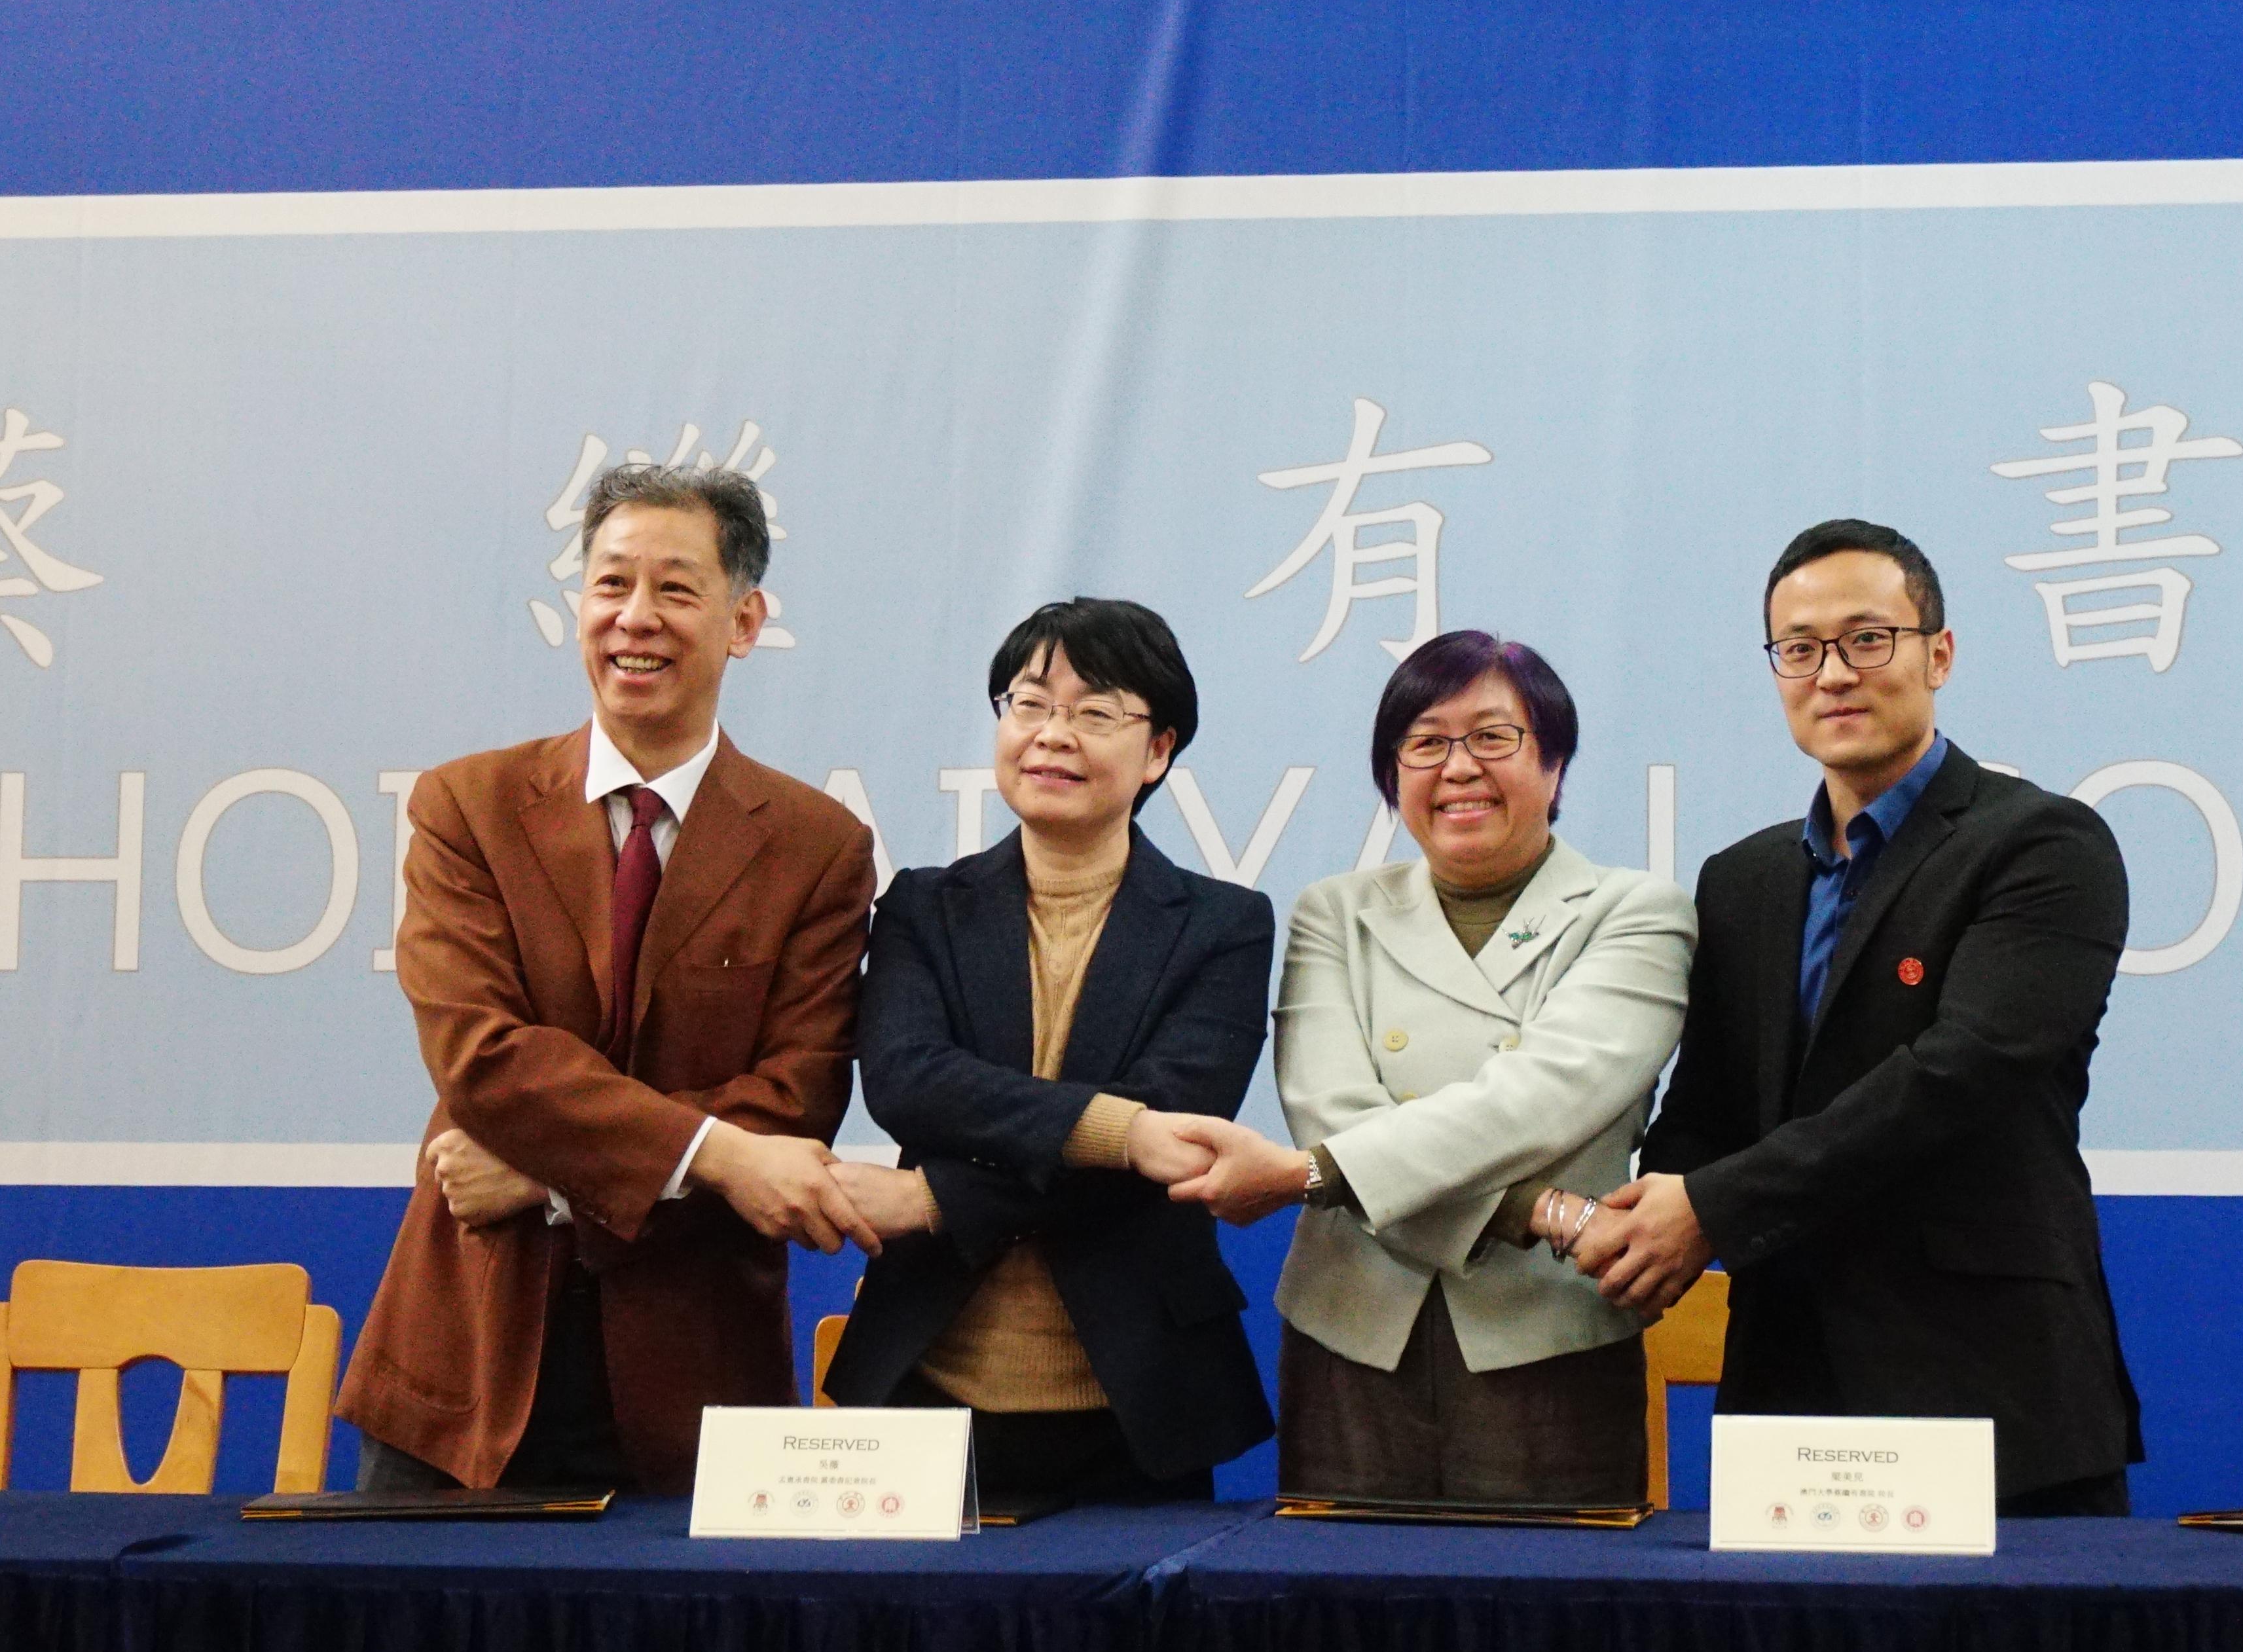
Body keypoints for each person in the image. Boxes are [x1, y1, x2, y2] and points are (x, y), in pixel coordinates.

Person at [1572, 519, 2144, 1516]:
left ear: (1939, 655)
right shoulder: (1742, 879)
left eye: (1867, 639)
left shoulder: (2044, 844)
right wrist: (1634, 1212)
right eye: (1799, 649)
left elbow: (1960, 1073)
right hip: (1787, 1385)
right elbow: (1708, 1106)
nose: (1832, 674)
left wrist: (1710, 1207)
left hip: (1993, 1386)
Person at [337, 461, 882, 1495]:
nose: (636, 618)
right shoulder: (468, 808)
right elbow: (483, 1060)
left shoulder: (820, 847)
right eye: (611, 584)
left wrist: (549, 1181)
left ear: (745, 621)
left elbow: (796, 1099)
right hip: (463, 1371)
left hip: (695, 1385)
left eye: (676, 589)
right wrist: (715, 1153)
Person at [1161, 631, 1693, 1507]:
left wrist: (1318, 1176)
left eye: (1493, 737)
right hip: (1351, 1334)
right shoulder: (1335, 911)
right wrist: (1541, 1210)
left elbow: (1538, 1100)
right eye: (1426, 743)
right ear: (1392, 773)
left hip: (1548, 1334)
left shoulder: (1636, 911)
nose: (1459, 767)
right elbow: (1330, 1113)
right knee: (1338, 1593)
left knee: (1547, 1591)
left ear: (1555, 764)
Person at [818, 600, 1275, 1504]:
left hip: (1139, 1401)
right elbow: (909, 1084)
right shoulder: (922, 907)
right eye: (1028, 704)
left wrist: (934, 1199)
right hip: (926, 1379)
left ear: (1158, 750)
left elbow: (1173, 1136)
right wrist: (1117, 1132)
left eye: (1095, 711)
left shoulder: (1225, 925)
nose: (1052, 734)